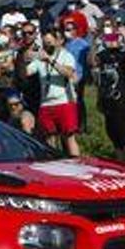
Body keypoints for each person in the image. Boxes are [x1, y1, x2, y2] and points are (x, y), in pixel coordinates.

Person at [90, 22, 125, 166]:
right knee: (115, 136)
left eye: (115, 37)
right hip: (110, 102)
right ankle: (121, 167)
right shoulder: (104, 54)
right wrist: (95, 42)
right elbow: (92, 62)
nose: (112, 40)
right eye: (110, 37)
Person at [28, 28, 81, 156]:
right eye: (44, 43)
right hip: (46, 103)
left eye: (50, 43)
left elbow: (68, 73)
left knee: (69, 137)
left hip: (64, 102)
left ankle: (76, 162)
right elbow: (27, 72)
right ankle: (54, 162)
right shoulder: (40, 57)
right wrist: (25, 55)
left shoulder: (66, 56)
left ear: (58, 41)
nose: (47, 46)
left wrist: (50, 60)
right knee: (49, 138)